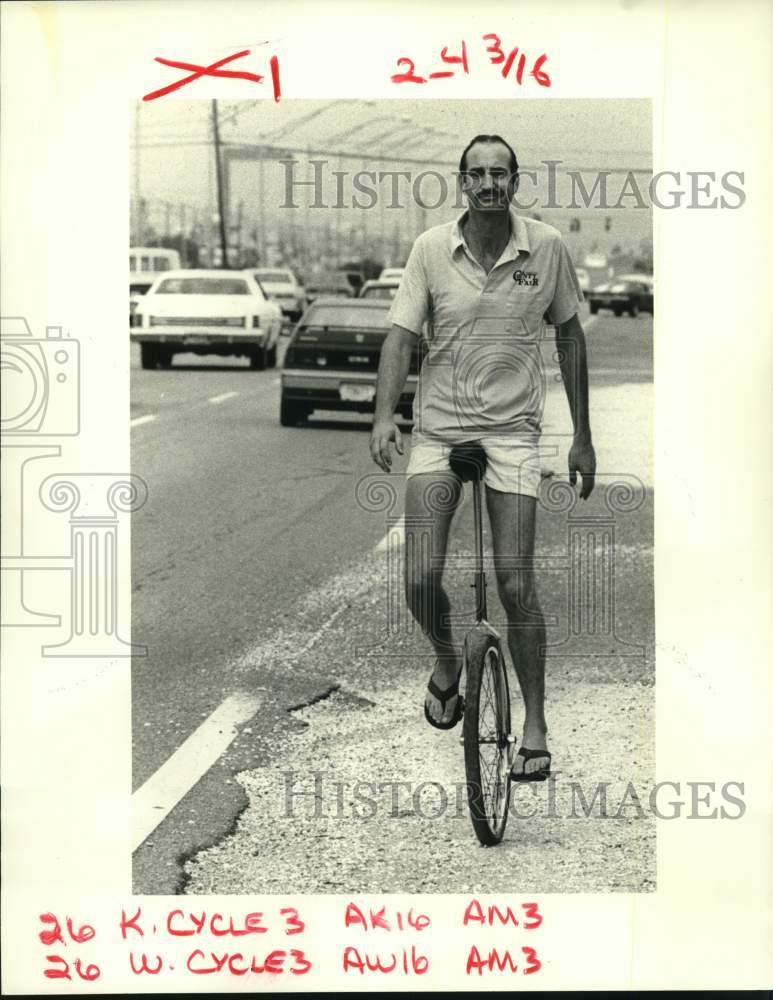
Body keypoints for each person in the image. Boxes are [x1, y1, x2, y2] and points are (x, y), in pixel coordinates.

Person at [369, 134, 596, 780]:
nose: (489, 183)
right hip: (440, 433)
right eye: (478, 173)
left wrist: (581, 436)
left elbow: (571, 338)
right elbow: (400, 337)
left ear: (515, 181)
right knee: (418, 576)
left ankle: (534, 725)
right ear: (461, 183)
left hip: (512, 436)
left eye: (500, 173)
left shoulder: (545, 248)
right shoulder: (430, 250)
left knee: (515, 582)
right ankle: (446, 663)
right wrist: (385, 415)